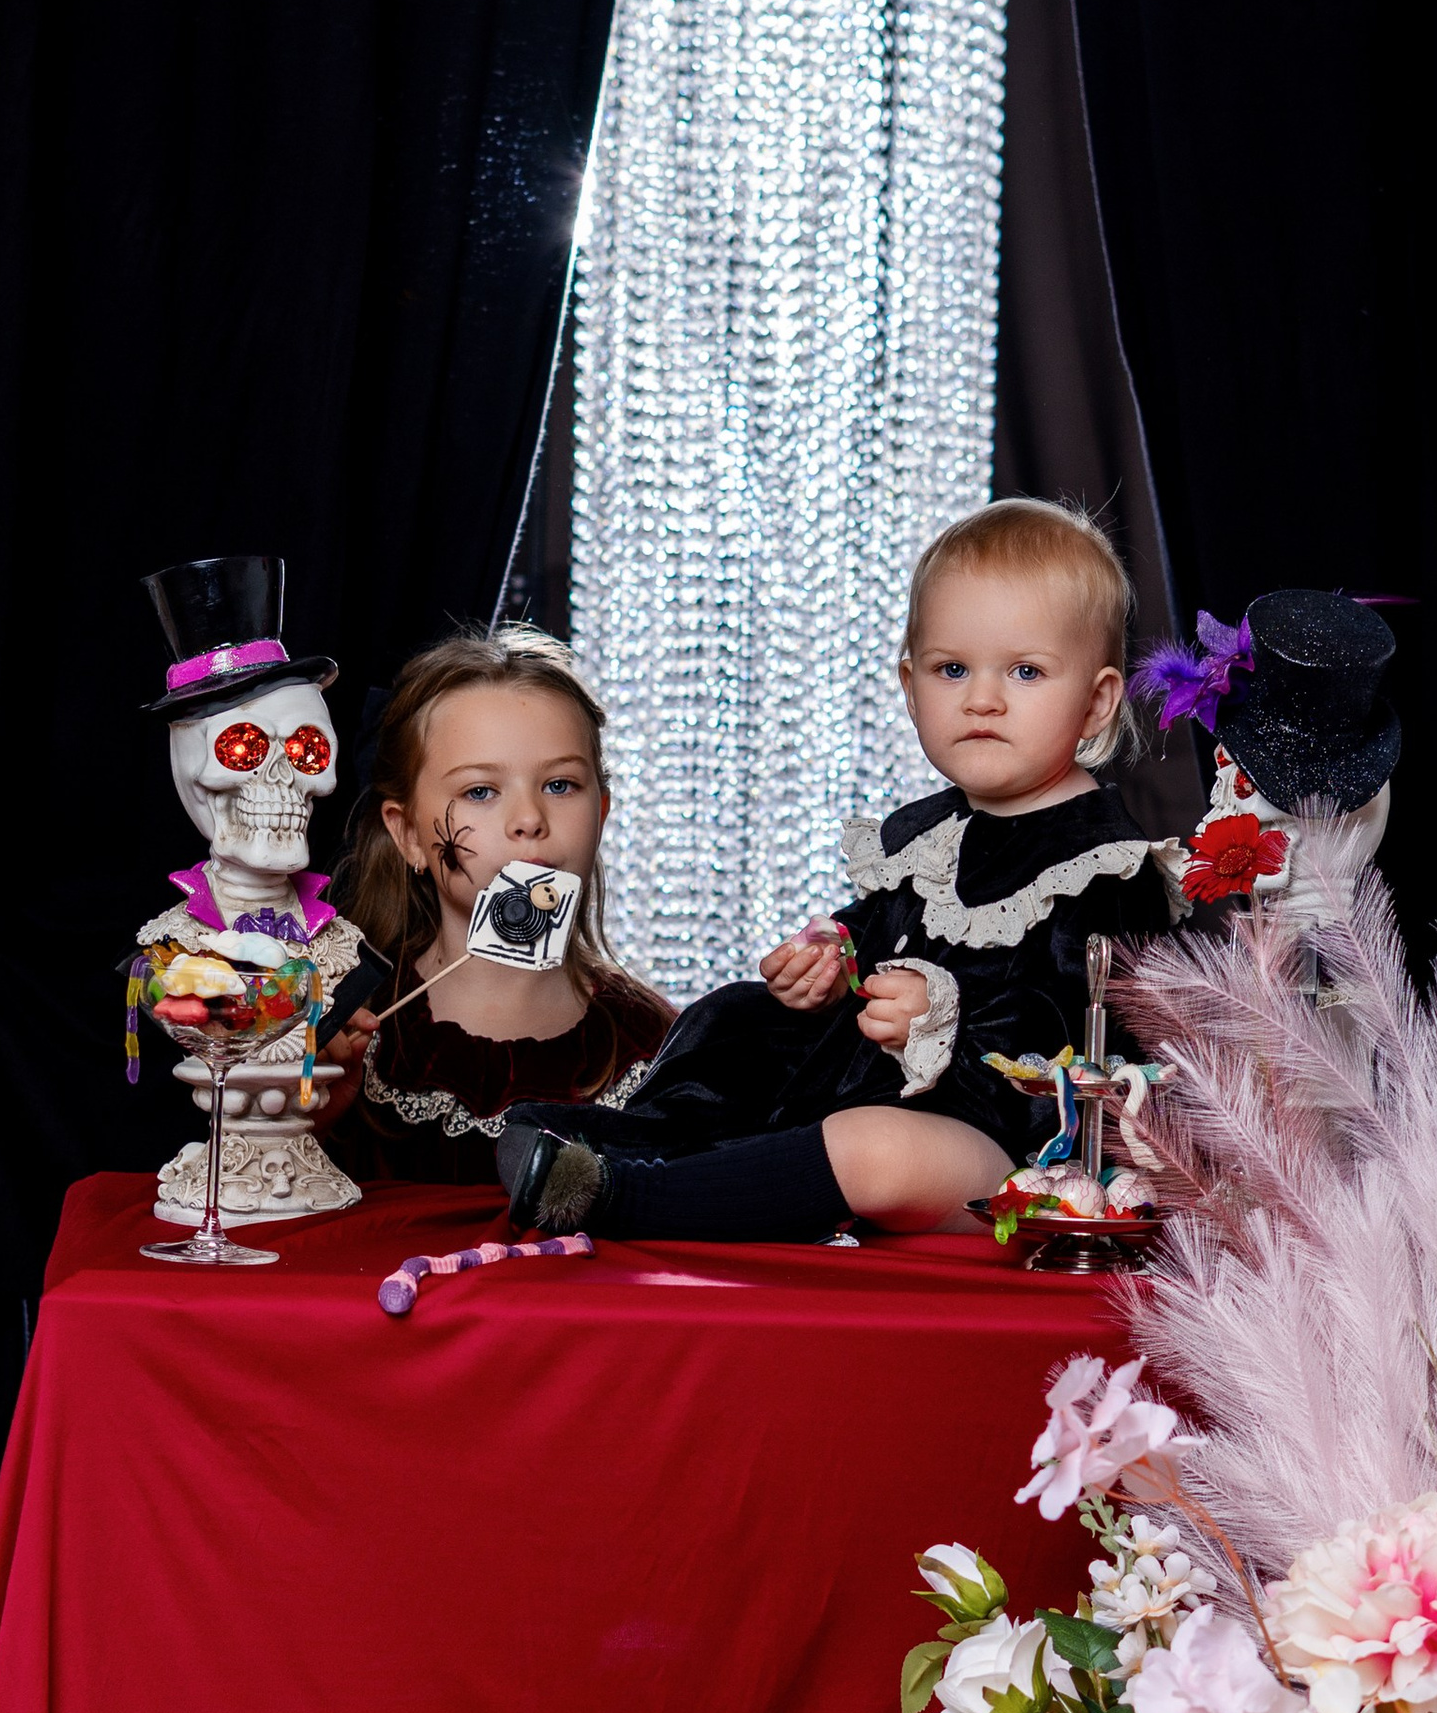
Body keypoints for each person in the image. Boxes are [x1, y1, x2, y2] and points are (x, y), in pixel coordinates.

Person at [498, 498, 1175, 1242]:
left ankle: (630, 1199)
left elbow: (1084, 1037)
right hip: (881, 1084)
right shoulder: (929, 837)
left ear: (1097, 701)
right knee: (736, 1013)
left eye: (1024, 671)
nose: (982, 699)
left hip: (1011, 1150)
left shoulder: (1109, 867)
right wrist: (831, 955)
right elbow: (876, 931)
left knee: (874, 1148)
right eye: (953, 670)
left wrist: (939, 1014)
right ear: (910, 687)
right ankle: (637, 1141)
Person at [318, 629, 673, 1186]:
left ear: (600, 813)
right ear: (408, 833)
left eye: (560, 784)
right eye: (481, 791)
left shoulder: (655, 1048)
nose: (529, 818)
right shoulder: (343, 1027)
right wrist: (304, 1117)